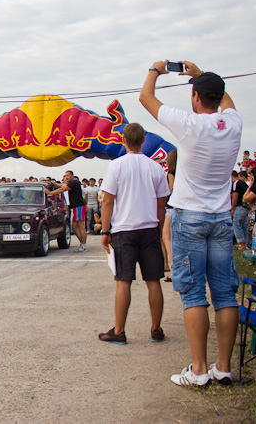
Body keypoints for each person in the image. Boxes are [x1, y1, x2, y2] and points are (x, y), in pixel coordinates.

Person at [140, 60, 241, 388]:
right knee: (225, 294)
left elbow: (145, 98)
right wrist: (199, 74)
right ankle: (223, 367)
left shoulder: (188, 125)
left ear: (196, 98)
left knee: (194, 295)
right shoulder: (233, 125)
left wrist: (156, 70)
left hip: (189, 217)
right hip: (221, 218)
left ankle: (198, 369)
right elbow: (228, 103)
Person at [98, 123, 170, 345]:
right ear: (143, 141)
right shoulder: (156, 168)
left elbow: (108, 200)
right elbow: (161, 204)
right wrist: (158, 231)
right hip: (149, 228)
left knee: (123, 281)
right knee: (153, 280)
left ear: (123, 141)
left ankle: (119, 331)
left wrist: (105, 230)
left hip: (123, 230)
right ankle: (156, 328)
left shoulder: (116, 166)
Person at [47, 171, 88, 252]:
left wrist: (50, 193)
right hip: (76, 207)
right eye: (65, 176)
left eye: (68, 175)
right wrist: (55, 183)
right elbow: (62, 185)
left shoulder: (74, 183)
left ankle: (83, 245)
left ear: (72, 176)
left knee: (80, 226)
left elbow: (62, 189)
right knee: (74, 227)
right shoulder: (72, 183)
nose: (66, 177)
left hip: (79, 207)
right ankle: (82, 244)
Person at [162, 150, 177, 281]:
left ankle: (174, 270)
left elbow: (171, 189)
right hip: (184, 207)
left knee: (166, 238)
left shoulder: (172, 172)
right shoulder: (185, 172)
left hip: (172, 207)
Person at [231, 170, 250, 252]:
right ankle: (246, 244)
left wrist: (232, 209)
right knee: (245, 226)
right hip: (246, 207)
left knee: (237, 225)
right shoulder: (244, 183)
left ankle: (242, 244)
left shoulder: (236, 183)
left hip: (239, 207)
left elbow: (235, 197)